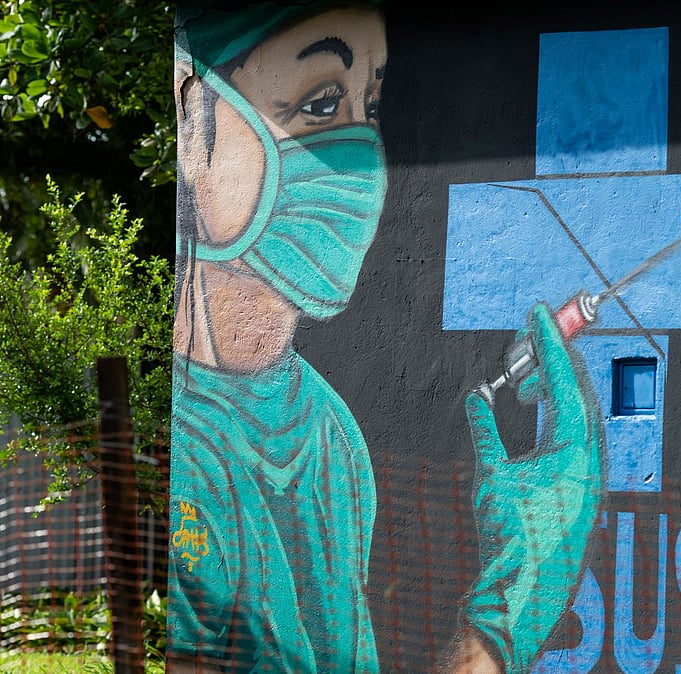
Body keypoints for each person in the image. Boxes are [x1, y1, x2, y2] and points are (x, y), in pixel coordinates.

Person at [170, 2, 603, 672]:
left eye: (368, 104)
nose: (361, 157)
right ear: (195, 125)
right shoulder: (178, 454)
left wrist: (513, 592)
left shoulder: (328, 433)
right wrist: (507, 612)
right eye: (319, 104)